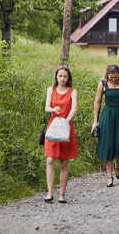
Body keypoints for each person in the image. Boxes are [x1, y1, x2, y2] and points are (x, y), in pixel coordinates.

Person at [91, 64, 119, 187]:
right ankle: (109, 176)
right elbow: (98, 102)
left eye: (116, 77)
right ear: (107, 75)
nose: (114, 79)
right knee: (108, 145)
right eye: (111, 77)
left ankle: (118, 166)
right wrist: (95, 121)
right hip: (108, 115)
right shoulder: (102, 84)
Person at [44, 65, 78, 203]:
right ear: (56, 77)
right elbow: (46, 107)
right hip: (53, 126)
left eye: (65, 76)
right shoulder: (50, 90)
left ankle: (62, 194)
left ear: (68, 78)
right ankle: (50, 192)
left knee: (64, 163)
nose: (62, 78)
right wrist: (53, 109)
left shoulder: (72, 91)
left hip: (65, 127)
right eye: (60, 76)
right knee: (50, 160)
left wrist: (66, 121)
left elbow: (74, 108)